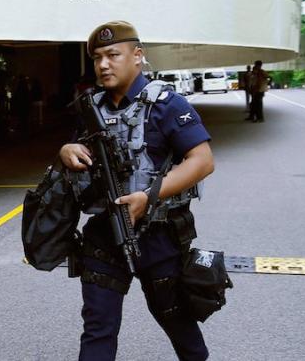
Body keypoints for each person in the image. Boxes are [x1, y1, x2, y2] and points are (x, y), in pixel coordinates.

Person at [59, 21, 215, 361]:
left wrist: (150, 196)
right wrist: (66, 151)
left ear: (138, 56)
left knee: (178, 323)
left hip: (158, 234)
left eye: (113, 55)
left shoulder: (167, 104)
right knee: (98, 328)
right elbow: (76, 152)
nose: (103, 64)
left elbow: (202, 161)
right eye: (97, 57)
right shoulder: (91, 109)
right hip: (105, 234)